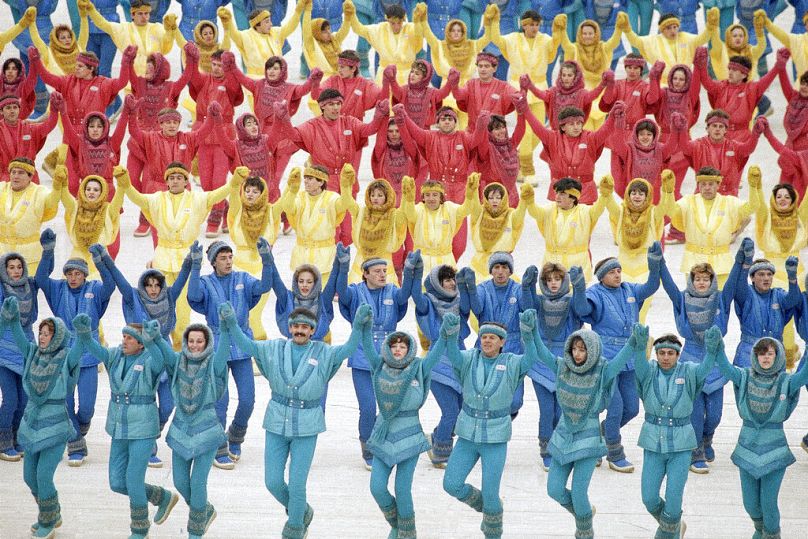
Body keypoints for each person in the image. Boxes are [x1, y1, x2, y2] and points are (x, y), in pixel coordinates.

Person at [218, 301, 370, 539]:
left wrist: (359, 326)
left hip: (307, 425)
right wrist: (231, 324)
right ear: (290, 328)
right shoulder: (274, 348)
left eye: (305, 327)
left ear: (312, 330)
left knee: (297, 484)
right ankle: (302, 511)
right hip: (277, 421)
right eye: (296, 326)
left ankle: (295, 529)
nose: (300, 330)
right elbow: (247, 344)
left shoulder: (324, 352)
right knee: (272, 482)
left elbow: (348, 349)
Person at [530, 323, 645, 538]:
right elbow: (543, 354)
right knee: (553, 489)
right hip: (563, 435)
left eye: (582, 349)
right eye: (574, 349)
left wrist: (632, 343)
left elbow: (620, 360)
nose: (577, 353)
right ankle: (583, 514)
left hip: (589, 438)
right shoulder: (562, 366)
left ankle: (584, 532)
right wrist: (533, 332)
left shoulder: (603, 371)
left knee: (580, 493)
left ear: (591, 350)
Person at [73, 315, 179, 539]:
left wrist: (153, 340)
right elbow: (96, 349)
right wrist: (84, 334)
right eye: (123, 336)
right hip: (119, 426)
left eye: (130, 338)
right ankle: (161, 497)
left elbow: (162, 359)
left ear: (141, 343)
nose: (124, 341)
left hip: (143, 427)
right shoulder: (115, 355)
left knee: (132, 478)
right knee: (116, 481)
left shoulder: (151, 359)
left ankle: (140, 529)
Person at [116, 161, 240, 346]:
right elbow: (137, 198)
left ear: (186, 181)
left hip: (186, 261)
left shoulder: (196, 199)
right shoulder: (157, 199)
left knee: (182, 311)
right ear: (167, 182)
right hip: (163, 260)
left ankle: (179, 350)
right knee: (157, 306)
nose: (175, 181)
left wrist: (234, 182)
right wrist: (125, 184)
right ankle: (158, 348)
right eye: (172, 178)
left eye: (179, 178)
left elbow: (218, 195)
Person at [441, 310, 540, 539]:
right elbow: (453, 355)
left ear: (502, 342)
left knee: (492, 492)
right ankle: (485, 507)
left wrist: (528, 334)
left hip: (495, 438)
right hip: (467, 434)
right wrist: (450, 334)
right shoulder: (469, 358)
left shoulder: (512, 362)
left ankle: (493, 531)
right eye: (484, 336)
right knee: (451, 484)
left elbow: (531, 359)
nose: (487, 340)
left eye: (492, 337)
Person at [708, 329, 808, 539]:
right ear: (755, 356)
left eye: (770, 353)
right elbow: (726, 369)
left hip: (775, 450)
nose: (765, 357)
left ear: (778, 355)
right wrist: (718, 348)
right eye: (761, 353)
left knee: (768, 503)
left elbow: (804, 375)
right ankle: (761, 530)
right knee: (751, 504)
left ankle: (772, 535)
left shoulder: (786, 382)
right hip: (746, 449)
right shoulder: (744, 376)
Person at [187, 238, 274, 468]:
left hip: (242, 345)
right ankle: (219, 446)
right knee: (220, 400)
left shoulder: (243, 279)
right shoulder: (205, 282)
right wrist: (195, 267)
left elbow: (264, 286)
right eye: (223, 258)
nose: (228, 261)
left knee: (248, 399)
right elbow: (193, 297)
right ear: (213, 262)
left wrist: (267, 260)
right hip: (216, 347)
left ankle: (235, 435)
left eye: (230, 257)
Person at [0, 297, 82, 539]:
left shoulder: (65, 357)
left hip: (55, 426)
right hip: (31, 425)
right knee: (29, 476)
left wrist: (83, 333)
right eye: (42, 332)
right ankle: (52, 511)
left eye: (48, 333)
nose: (43, 337)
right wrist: (13, 318)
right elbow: (18, 337)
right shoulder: (33, 353)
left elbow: (77, 352)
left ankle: (46, 521)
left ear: (57, 336)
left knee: (44, 476)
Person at [659, 245, 745, 474]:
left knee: (715, 414)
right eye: (697, 279)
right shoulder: (683, 299)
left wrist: (739, 261)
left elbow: (733, 283)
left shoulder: (720, 300)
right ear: (691, 281)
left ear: (711, 281)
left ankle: (708, 438)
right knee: (695, 413)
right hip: (691, 359)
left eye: (706, 279)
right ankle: (696, 450)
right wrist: (659, 262)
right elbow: (668, 286)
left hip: (716, 362)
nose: (701, 283)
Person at [577, 243, 663, 472]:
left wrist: (655, 267)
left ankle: (601, 434)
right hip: (607, 358)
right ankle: (613, 451)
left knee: (632, 408)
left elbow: (651, 286)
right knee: (615, 406)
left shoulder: (629, 290)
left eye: (618, 271)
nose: (617, 275)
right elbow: (581, 308)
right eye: (612, 272)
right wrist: (577, 287)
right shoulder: (595, 293)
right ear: (601, 277)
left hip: (631, 356)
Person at [142, 320, 229, 538]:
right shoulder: (178, 361)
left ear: (207, 342)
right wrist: (156, 336)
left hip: (207, 430)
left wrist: (227, 329)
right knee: (180, 482)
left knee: (198, 483)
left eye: (200, 341)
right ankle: (204, 510)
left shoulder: (213, 364)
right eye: (191, 341)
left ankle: (195, 531)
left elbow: (223, 351)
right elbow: (164, 350)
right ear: (185, 341)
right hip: (181, 430)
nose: (195, 345)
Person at [35, 234, 115, 466]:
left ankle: (79, 427)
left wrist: (100, 260)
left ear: (84, 275)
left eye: (77, 273)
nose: (73, 277)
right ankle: (76, 445)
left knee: (87, 407)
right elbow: (40, 278)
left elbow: (111, 285)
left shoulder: (95, 288)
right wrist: (48, 250)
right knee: (66, 402)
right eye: (69, 273)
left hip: (89, 355)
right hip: (63, 355)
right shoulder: (58, 289)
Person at [363, 322, 449, 538]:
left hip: (410, 435)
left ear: (409, 349)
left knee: (402, 490)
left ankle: (407, 533)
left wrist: (445, 334)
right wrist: (363, 328)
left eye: (402, 346)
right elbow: (366, 346)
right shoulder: (379, 366)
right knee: (377, 488)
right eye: (394, 346)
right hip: (383, 434)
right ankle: (398, 524)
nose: (398, 350)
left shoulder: (418, 368)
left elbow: (435, 354)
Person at [336, 245, 416, 468]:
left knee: (391, 406)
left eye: (385, 270)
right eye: (378, 271)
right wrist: (342, 267)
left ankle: (387, 442)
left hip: (389, 358)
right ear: (366, 274)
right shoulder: (355, 291)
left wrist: (409, 271)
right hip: (362, 356)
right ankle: (368, 446)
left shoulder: (392, 291)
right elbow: (341, 293)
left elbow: (405, 295)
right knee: (368, 406)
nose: (382, 274)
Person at [276, 91, 389, 245]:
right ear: (322, 106)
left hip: (347, 182)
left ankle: (343, 264)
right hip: (325, 183)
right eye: (331, 104)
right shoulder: (312, 126)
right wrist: (284, 119)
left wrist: (378, 115)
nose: (336, 108)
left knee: (349, 232)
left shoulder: (349, 122)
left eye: (338, 104)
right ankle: (329, 264)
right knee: (330, 229)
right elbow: (294, 135)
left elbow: (369, 129)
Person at [636, 332, 716, 538]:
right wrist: (637, 347)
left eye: (670, 353)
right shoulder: (649, 371)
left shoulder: (688, 371)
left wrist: (713, 349)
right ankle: (675, 527)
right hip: (653, 442)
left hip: (681, 445)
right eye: (661, 353)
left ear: (678, 354)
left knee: (673, 501)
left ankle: (667, 532)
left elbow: (706, 368)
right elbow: (638, 364)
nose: (665, 357)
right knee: (649, 498)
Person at [520, 262, 589, 471]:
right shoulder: (539, 302)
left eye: (557, 279)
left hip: (565, 362)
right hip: (541, 362)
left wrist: (579, 287)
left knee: (562, 409)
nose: (553, 284)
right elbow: (527, 306)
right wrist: (526, 287)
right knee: (547, 409)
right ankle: (546, 447)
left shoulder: (570, 301)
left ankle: (561, 443)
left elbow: (581, 310)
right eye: (549, 280)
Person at [393, 105, 485, 258]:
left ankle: (448, 270)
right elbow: (414, 131)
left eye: (450, 119)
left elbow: (477, 139)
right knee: (435, 237)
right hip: (436, 194)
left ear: (455, 122)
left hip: (459, 193)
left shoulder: (464, 137)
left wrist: (481, 123)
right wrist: (402, 113)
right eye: (443, 119)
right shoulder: (430, 137)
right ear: (437, 122)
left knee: (459, 245)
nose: (447, 122)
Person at [487, 7, 563, 184]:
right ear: (524, 25)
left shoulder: (545, 39)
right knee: (527, 131)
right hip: (518, 89)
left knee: (538, 131)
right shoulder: (513, 39)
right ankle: (528, 170)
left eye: (537, 25)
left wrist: (558, 29)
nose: (535, 28)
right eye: (531, 25)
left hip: (539, 88)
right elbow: (496, 39)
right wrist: (494, 21)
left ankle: (519, 159)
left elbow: (554, 47)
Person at [411, 263, 470, 468]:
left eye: (453, 279)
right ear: (438, 283)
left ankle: (436, 438)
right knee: (451, 411)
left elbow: (471, 306)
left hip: (459, 359)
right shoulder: (428, 302)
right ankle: (441, 451)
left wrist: (466, 283)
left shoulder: (459, 302)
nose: (451, 283)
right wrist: (414, 273)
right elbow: (416, 297)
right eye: (447, 280)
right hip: (438, 362)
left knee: (463, 411)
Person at [659, 167, 762, 285]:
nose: (707, 187)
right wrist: (668, 191)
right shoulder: (688, 201)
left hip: (721, 265)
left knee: (720, 301)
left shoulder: (729, 202)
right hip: (694, 262)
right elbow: (670, 211)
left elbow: (753, 207)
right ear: (698, 185)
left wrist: (754, 187)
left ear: (718, 185)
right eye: (703, 184)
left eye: (711, 184)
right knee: (695, 301)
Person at [227, 170, 296, 339]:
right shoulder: (237, 210)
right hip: (237, 270)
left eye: (255, 191)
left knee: (253, 316)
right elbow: (234, 192)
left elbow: (284, 202)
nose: (250, 195)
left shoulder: (271, 211)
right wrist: (236, 181)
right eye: (247, 191)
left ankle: (259, 351)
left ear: (262, 193)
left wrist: (292, 187)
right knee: (238, 315)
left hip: (261, 270)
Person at [184, 45, 245, 237]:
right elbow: (192, 76)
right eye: (214, 64)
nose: (217, 68)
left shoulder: (230, 82)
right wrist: (191, 59)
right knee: (206, 182)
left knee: (219, 181)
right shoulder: (204, 80)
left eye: (221, 65)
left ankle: (215, 217)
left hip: (223, 136)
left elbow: (236, 89)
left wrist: (231, 67)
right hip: (203, 134)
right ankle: (224, 206)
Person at [515, 95, 621, 204]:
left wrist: (612, 116)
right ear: (563, 127)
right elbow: (537, 127)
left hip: (584, 193)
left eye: (579, 123)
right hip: (560, 192)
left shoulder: (590, 138)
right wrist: (526, 110)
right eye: (571, 124)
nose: (576, 127)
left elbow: (605, 131)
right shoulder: (552, 138)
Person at [731, 239, 801, 372]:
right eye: (761, 274)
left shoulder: (778, 294)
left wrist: (792, 278)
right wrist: (747, 263)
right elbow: (739, 287)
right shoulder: (747, 293)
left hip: (774, 354)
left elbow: (793, 300)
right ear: (752, 277)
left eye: (769, 274)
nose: (766, 278)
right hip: (749, 354)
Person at [521, 177, 610, 280]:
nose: (557, 197)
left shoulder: (585, 212)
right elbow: (535, 213)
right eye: (557, 193)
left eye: (562, 194)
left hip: (577, 265)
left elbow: (598, 209)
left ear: (573, 197)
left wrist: (604, 195)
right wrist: (530, 201)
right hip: (552, 265)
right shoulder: (549, 209)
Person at [694, 46, 785, 145]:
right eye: (729, 69)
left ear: (744, 75)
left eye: (734, 70)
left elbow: (767, 79)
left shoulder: (751, 89)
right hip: (719, 134)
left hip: (742, 138)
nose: (730, 72)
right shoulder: (721, 86)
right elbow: (706, 82)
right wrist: (701, 65)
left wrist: (778, 65)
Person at [27, 43, 130, 131]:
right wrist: (36, 61)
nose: (76, 68)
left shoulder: (104, 83)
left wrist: (126, 63)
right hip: (71, 134)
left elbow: (122, 82)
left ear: (91, 69)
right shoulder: (67, 81)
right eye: (76, 65)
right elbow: (47, 78)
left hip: (95, 135)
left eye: (80, 66)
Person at [282, 164, 354, 280]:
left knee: (323, 294)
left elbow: (345, 204)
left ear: (321, 182)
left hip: (324, 257)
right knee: (300, 295)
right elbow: (288, 208)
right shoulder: (300, 197)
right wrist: (292, 190)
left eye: (310, 179)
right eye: (305, 178)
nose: (305, 181)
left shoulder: (332, 198)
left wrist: (345, 186)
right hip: (302, 255)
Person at [0, 253, 39, 462]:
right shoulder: (1, 289)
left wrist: (48, 252)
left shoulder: (29, 287)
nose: (16, 271)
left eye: (18, 267)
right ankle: (3, 439)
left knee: (24, 400)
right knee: (11, 400)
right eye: (11, 267)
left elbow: (43, 274)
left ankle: (16, 437)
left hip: (26, 350)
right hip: (4, 353)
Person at [400, 174, 478, 272]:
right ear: (423, 197)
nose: (431, 198)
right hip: (422, 262)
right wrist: (409, 199)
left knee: (447, 286)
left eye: (435, 195)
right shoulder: (419, 209)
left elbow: (466, 210)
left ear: (441, 197)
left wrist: (470, 195)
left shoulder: (449, 208)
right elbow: (409, 214)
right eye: (427, 195)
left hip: (445, 261)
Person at [55, 165, 125, 274]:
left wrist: (121, 185)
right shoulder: (76, 207)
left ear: (102, 193)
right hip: (78, 256)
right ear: (83, 190)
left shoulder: (107, 209)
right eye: (88, 189)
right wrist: (63, 184)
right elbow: (66, 199)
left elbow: (117, 203)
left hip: (99, 257)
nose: (91, 192)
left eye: (96, 190)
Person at [556, 17, 623, 128]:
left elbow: (614, 43)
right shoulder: (575, 48)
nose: (587, 36)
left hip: (600, 93)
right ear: (580, 34)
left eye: (590, 33)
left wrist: (619, 27)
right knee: (586, 131)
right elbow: (566, 46)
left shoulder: (603, 47)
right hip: (582, 95)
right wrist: (562, 30)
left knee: (599, 133)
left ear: (596, 34)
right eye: (584, 33)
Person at [228, 55, 321, 133]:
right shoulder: (259, 85)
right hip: (261, 131)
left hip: (281, 133)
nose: (271, 71)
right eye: (269, 68)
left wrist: (311, 79)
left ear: (282, 71)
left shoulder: (289, 88)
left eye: (275, 68)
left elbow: (303, 89)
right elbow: (243, 79)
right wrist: (233, 66)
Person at [617, 9, 717, 81]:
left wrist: (710, 27)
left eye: (675, 27)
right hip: (662, 84)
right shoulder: (654, 41)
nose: (673, 31)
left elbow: (702, 38)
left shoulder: (686, 38)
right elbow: (636, 41)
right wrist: (627, 29)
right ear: (662, 30)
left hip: (684, 81)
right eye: (668, 28)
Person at [81, 0, 175, 76]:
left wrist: (170, 31)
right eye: (140, 14)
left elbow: (166, 48)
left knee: (104, 71)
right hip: (133, 84)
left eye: (146, 13)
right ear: (132, 15)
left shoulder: (157, 28)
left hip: (154, 79)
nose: (144, 17)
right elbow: (103, 24)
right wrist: (91, 9)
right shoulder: (124, 29)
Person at [0, 157, 61, 273]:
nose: (16, 176)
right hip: (2, 255)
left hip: (29, 258)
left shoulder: (39, 192)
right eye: (13, 172)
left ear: (30, 177)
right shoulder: (2, 188)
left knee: (27, 290)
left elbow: (52, 201)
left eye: (21, 173)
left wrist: (58, 186)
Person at [343, 1, 425, 84]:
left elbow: (420, 33)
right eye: (393, 23)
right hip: (385, 78)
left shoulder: (410, 28)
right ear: (387, 19)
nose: (396, 26)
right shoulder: (380, 29)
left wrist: (419, 20)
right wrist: (352, 15)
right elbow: (359, 29)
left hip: (407, 78)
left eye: (399, 23)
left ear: (403, 19)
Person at [217, 3, 306, 78]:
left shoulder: (275, 32)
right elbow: (234, 34)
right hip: (255, 84)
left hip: (277, 82)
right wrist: (228, 21)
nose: (271, 24)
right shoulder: (246, 37)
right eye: (267, 22)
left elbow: (291, 26)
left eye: (270, 21)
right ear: (257, 24)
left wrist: (298, 11)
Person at [609, 113, 685, 199]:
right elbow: (618, 143)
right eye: (641, 134)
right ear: (636, 135)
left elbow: (671, 146)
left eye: (649, 134)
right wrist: (619, 123)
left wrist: (675, 129)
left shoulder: (660, 149)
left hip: (653, 196)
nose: (645, 137)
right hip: (633, 196)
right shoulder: (630, 149)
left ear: (654, 136)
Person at [345, 178, 407, 283]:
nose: (375, 198)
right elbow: (349, 203)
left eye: (380, 195)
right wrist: (345, 186)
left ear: (387, 197)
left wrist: (406, 197)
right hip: (362, 262)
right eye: (372, 195)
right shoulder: (362, 212)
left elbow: (403, 215)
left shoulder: (393, 214)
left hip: (384, 263)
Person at [520, 60, 610, 131]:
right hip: (557, 137)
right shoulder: (553, 91)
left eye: (569, 75)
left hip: (575, 137)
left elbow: (593, 95)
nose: (566, 78)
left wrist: (603, 84)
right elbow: (541, 94)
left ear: (576, 77)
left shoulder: (581, 94)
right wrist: (530, 85)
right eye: (564, 75)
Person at [0, 93, 60, 184]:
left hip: (29, 175)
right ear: (1, 111)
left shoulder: (29, 128)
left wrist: (54, 110)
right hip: (5, 177)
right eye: (8, 108)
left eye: (15, 107)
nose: (12, 111)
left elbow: (48, 125)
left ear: (19, 109)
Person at [314, 50, 383, 121]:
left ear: (353, 68)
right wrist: (315, 83)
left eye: (342, 67)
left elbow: (382, 96)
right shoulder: (333, 80)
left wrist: (388, 81)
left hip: (355, 126)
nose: (339, 70)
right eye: (339, 67)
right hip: (334, 124)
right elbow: (316, 96)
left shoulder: (365, 84)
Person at [383, 61, 453, 130]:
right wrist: (392, 79)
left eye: (417, 74)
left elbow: (443, 93)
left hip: (424, 133)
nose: (412, 75)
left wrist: (450, 81)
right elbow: (396, 91)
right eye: (412, 71)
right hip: (405, 132)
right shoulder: (404, 90)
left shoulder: (430, 92)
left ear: (425, 78)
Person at [301, 0, 352, 77]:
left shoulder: (334, 39)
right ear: (317, 33)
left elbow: (344, 31)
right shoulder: (313, 46)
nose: (328, 32)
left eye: (329, 29)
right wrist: (307, 10)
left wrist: (348, 18)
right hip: (321, 80)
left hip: (337, 77)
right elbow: (306, 30)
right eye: (324, 31)